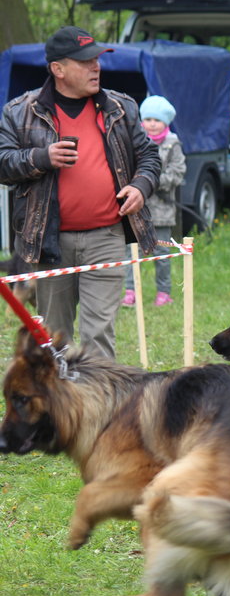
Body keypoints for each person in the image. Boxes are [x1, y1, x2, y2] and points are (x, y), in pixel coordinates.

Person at [0, 26, 159, 358]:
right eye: (85, 61)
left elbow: (148, 156)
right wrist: (41, 158)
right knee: (55, 338)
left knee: (99, 334)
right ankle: (63, 393)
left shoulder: (121, 106)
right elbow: (3, 163)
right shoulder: (20, 110)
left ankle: (97, 394)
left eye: (97, 60)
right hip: (48, 241)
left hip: (106, 236)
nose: (96, 67)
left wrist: (141, 187)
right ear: (58, 69)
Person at [122, 95, 186, 307]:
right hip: (137, 210)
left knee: (162, 254)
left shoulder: (172, 144)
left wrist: (151, 182)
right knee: (132, 253)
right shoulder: (135, 142)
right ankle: (130, 291)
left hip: (163, 211)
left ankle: (164, 293)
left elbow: (178, 171)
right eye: (148, 119)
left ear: (165, 122)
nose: (151, 124)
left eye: (157, 120)